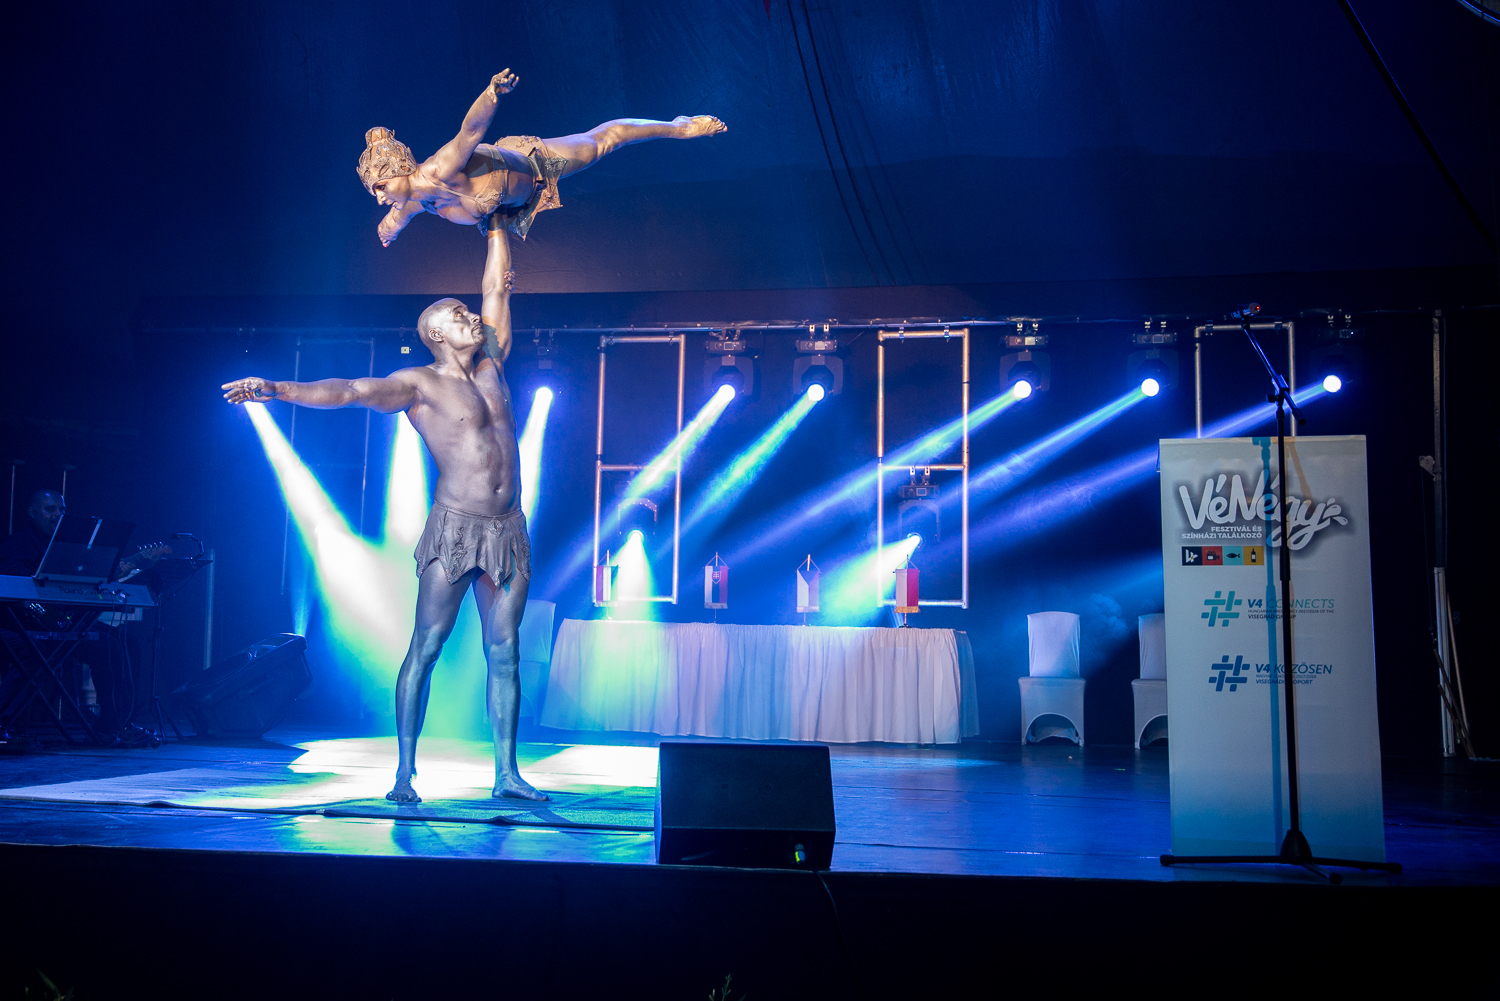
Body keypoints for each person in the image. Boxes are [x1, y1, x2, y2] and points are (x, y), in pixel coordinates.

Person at [222, 218, 545, 803]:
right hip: (455, 528)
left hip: (508, 529)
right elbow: (350, 390)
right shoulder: (417, 384)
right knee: (427, 645)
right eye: (458, 315)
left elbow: (497, 288)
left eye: (468, 312)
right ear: (436, 333)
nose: (471, 317)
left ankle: (506, 774)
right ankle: (404, 773)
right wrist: (278, 389)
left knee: (505, 651)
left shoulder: (493, 364)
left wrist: (497, 224)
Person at [360, 68, 726, 246]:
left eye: (382, 186)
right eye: (374, 191)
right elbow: (391, 225)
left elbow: (470, 131)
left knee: (604, 141)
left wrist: (491, 94)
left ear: (402, 169)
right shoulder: (413, 204)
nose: (380, 197)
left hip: (535, 162)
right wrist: (385, 233)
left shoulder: (441, 168)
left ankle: (678, 126)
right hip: (511, 207)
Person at [0, 489, 65, 576]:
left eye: (62, 510)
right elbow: (10, 571)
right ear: (32, 512)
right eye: (51, 509)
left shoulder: (66, 542)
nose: (59, 514)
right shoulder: (17, 542)